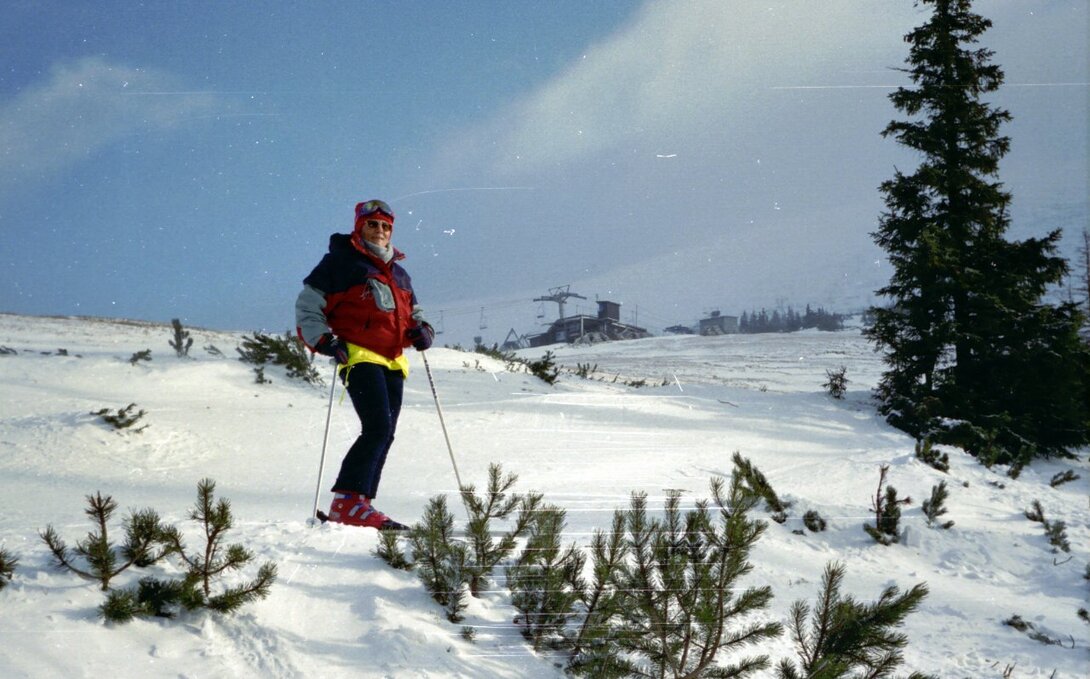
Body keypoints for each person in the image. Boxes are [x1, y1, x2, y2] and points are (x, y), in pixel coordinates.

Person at [295, 199, 434, 530]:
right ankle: (348, 502)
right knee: (378, 428)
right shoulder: (340, 263)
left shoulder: (399, 274)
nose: (380, 231)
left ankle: (362, 504)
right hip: (357, 354)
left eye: (386, 226)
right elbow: (308, 305)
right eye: (373, 224)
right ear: (359, 227)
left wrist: (423, 329)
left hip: (392, 359)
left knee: (387, 432)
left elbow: (415, 312)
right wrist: (323, 339)